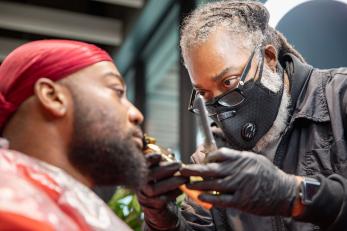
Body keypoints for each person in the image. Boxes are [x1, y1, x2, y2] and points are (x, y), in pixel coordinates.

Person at [137, 1, 347, 230]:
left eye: (228, 82)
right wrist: (162, 219)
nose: (221, 107)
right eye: (204, 94)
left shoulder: (339, 98)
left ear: (269, 57)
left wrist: (293, 194)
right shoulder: (212, 159)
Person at [0, 39, 147, 230]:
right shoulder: (13, 208)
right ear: (52, 97)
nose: (136, 114)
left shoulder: (68, 209)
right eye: (117, 91)